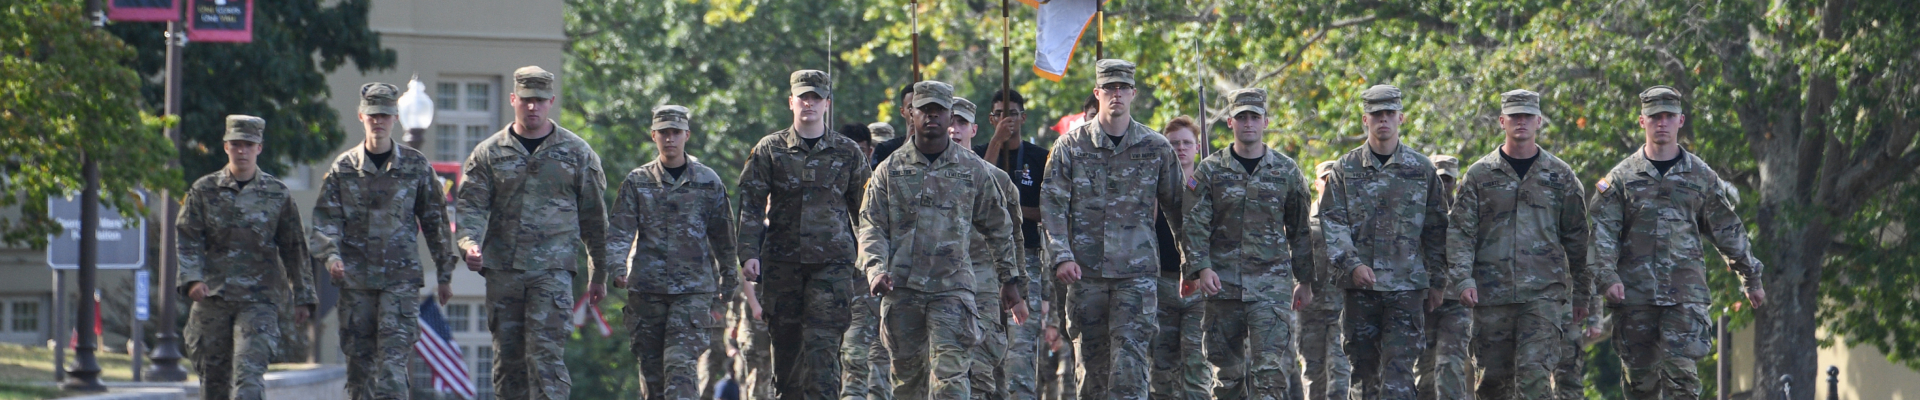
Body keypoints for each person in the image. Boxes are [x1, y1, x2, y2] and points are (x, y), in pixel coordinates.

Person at [1589, 85, 1766, 400]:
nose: (1661, 123)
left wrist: (1750, 277)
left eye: (1668, 116)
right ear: (1642, 121)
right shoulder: (1621, 179)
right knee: (1640, 385)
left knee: (1682, 381)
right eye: (1654, 116)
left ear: (1680, 121)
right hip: (1635, 297)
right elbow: (1603, 233)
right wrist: (1607, 277)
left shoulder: (1700, 176)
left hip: (1684, 296)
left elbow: (1726, 228)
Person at [858, 80, 1025, 400]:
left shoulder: (973, 170)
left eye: (939, 111)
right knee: (909, 387)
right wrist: (875, 269)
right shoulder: (889, 170)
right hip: (902, 292)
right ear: (911, 115)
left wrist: (1010, 279)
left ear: (950, 116)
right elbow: (871, 225)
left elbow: (998, 226)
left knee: (951, 383)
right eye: (924, 110)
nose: (931, 117)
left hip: (953, 293)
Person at [455, 65, 611, 400]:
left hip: (552, 271)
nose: (532, 107)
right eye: (526, 99)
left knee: (546, 357)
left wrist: (599, 272)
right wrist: (468, 244)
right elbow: (471, 207)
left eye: (540, 100)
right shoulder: (488, 153)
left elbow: (595, 219)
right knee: (508, 362)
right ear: (513, 99)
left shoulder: (577, 153)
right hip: (503, 272)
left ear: (551, 101)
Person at [1040, 59, 1185, 400]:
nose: (1116, 94)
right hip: (1084, 275)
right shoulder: (1070, 147)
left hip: (1137, 275)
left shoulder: (1155, 147)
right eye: (1109, 88)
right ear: (1097, 93)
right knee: (1092, 370)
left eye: (1122, 88)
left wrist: (1193, 262)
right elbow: (1053, 206)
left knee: (1130, 366)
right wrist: (1061, 256)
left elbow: (1179, 209)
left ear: (1133, 93)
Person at [309, 83, 459, 400]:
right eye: (373, 115)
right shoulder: (344, 168)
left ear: (395, 119)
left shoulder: (416, 166)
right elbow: (325, 221)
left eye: (385, 115)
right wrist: (331, 257)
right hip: (357, 284)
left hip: (399, 283)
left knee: (392, 370)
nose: (379, 121)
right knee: (359, 372)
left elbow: (436, 222)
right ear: (362, 116)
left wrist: (445, 274)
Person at [1441, 90, 1591, 399]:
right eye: (1514, 116)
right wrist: (1463, 279)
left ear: (1538, 121)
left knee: (1535, 379)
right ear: (1502, 121)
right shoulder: (1480, 175)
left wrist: (1583, 294)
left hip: (1543, 297)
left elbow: (1577, 238)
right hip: (1491, 296)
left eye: (1527, 116)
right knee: (1492, 384)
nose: (1520, 122)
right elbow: (1460, 233)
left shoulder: (1560, 176)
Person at [736, 69, 872, 400]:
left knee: (823, 356)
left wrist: (871, 259)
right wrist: (748, 253)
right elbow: (751, 204)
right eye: (802, 97)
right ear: (791, 102)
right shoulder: (769, 149)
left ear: (827, 103)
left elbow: (866, 212)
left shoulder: (847, 151)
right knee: (787, 362)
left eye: (815, 97)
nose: (808, 103)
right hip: (782, 265)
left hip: (832, 267)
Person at [1181, 89, 1315, 399]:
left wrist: (1305, 281)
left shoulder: (1287, 171)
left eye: (1255, 117)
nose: (1249, 123)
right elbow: (1193, 226)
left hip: (1271, 290)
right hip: (1221, 287)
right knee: (1226, 380)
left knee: (1270, 375)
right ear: (1230, 122)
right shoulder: (1210, 171)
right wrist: (1201, 268)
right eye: (1242, 117)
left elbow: (1300, 231)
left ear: (1266, 121)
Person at [1317, 84, 1449, 400]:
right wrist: (1352, 264)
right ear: (1366, 120)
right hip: (1360, 290)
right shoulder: (1344, 169)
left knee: (1400, 379)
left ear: (1400, 118)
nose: (1383, 120)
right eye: (1376, 114)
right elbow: (1332, 223)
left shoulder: (1422, 169)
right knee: (1363, 379)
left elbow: (1436, 229)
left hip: (1406, 289)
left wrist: (1438, 282)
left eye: (1389, 113)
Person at [178, 114, 318, 400]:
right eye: (236, 144)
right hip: (213, 299)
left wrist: (303, 295)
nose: (242, 151)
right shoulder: (204, 190)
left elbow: (294, 247)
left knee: (248, 379)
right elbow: (188, 238)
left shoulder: (277, 194)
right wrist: (192, 279)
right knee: (214, 385)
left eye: (248, 145)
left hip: (259, 301)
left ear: (259, 148)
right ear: (226, 146)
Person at [610, 105, 740, 400]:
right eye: (664, 133)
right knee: (653, 377)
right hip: (647, 291)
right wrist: (617, 267)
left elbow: (724, 237)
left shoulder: (708, 182)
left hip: (692, 292)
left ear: (687, 136)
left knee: (680, 368)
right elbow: (620, 230)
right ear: (653, 135)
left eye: (676, 133)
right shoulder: (637, 181)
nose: (670, 139)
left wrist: (729, 280)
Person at [974, 88, 1053, 400]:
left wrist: (1013, 212)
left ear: (1023, 117)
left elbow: (1050, 209)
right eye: (999, 114)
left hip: (1027, 259)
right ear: (991, 119)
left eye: (1013, 114)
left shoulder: (1040, 157)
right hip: (984, 263)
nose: (1007, 120)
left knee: (1020, 353)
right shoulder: (979, 153)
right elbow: (979, 187)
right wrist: (995, 142)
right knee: (985, 355)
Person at [949, 96, 1021, 400]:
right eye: (949, 120)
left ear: (974, 129)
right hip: (938, 286)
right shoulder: (918, 175)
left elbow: (1014, 239)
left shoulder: (998, 181)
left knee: (983, 371)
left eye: (961, 122)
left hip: (984, 286)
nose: (954, 128)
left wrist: (1019, 289)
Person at [1149, 115, 1209, 400]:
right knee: (1162, 370)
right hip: (1160, 285)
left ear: (1197, 148)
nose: (1180, 148)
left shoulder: (1210, 188)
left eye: (1187, 143)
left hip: (1200, 287)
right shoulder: (1151, 190)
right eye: (1173, 144)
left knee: (1197, 366)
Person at [1415, 153, 1472, 400]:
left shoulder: (1466, 215)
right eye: (1438, 179)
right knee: (1423, 374)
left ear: (1455, 183)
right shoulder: (1415, 213)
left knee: (1449, 366)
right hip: (1422, 301)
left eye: (1447, 180)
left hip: (1456, 303)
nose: (1442, 185)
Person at [1302, 160, 1353, 400]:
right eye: (1325, 179)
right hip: (1310, 309)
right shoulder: (1303, 218)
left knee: (1341, 370)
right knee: (1313, 373)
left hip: (1343, 307)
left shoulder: (1352, 219)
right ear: (1316, 183)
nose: (1330, 183)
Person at [871, 84, 917, 168]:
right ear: (903, 112)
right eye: (911, 107)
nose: (916, 112)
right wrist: (906, 147)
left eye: (922, 107)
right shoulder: (884, 149)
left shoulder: (942, 148)